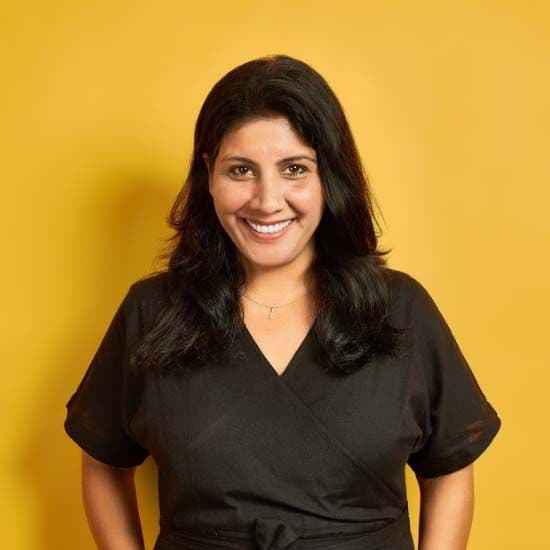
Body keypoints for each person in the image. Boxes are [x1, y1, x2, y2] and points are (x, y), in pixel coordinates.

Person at [64, 54, 502, 550]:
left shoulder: (401, 309)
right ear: (209, 175)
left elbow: (450, 469)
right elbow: (102, 461)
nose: (267, 200)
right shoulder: (153, 310)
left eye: (294, 168)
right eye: (240, 170)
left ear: (328, 177)